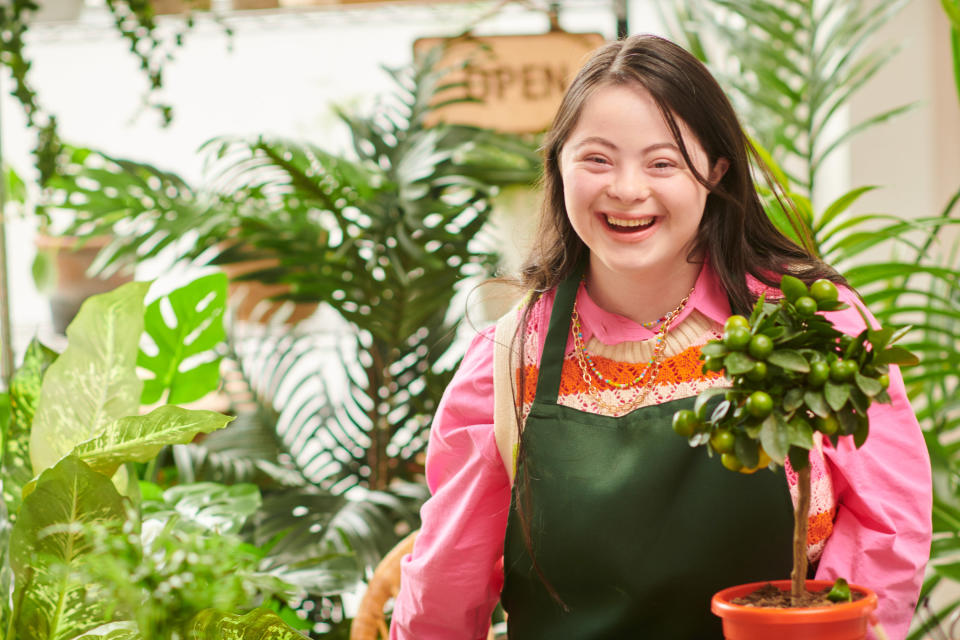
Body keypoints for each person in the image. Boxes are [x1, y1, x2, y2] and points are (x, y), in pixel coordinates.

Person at [390, 34, 931, 639]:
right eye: (596, 159)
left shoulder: (809, 328)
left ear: (715, 171)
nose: (627, 189)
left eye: (662, 162)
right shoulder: (507, 359)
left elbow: (888, 528)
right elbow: (448, 580)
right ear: (558, 164)